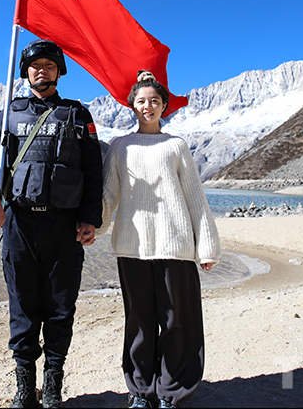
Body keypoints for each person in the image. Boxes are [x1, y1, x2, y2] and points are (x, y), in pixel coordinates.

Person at [0, 39, 103, 408]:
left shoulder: (78, 115)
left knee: (60, 308)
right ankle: (24, 388)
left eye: (49, 65)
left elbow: (93, 172)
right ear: (25, 72)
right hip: (19, 226)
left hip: (65, 228)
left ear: (59, 71)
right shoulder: (9, 114)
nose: (42, 70)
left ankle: (52, 388)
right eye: (35, 65)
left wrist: (90, 218)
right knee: (22, 307)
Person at [96, 70, 221, 409]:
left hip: (175, 248)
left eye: (154, 100)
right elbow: (109, 194)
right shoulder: (120, 146)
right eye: (141, 101)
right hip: (131, 248)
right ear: (132, 106)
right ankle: (139, 391)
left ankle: (170, 392)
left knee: (177, 321)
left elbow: (194, 197)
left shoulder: (176, 146)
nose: (147, 106)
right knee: (139, 321)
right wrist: (94, 226)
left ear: (164, 106)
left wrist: (206, 246)